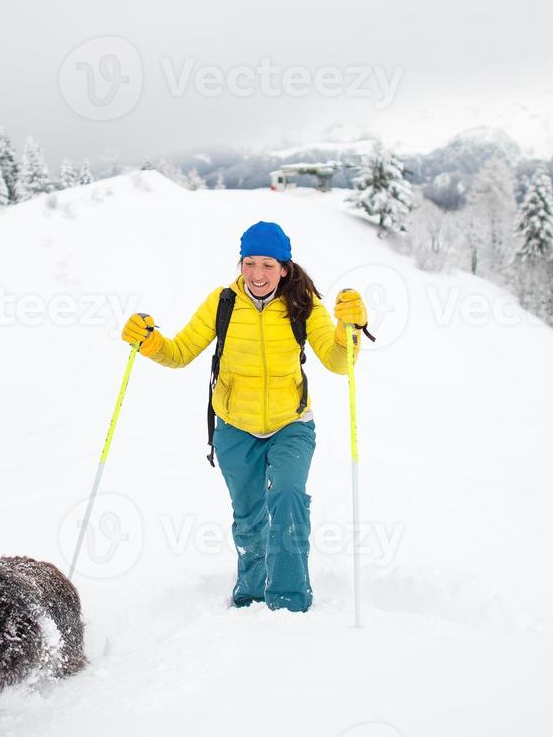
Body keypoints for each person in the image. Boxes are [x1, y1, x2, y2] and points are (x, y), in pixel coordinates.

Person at [120, 221, 368, 612]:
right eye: (249, 263)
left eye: (267, 264)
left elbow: (340, 363)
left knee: (286, 496)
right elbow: (180, 352)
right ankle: (251, 593)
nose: (257, 274)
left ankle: (289, 599)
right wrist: (149, 343)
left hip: (292, 424)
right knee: (250, 514)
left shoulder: (304, 304)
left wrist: (347, 330)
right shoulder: (223, 303)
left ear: (284, 268)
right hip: (234, 429)